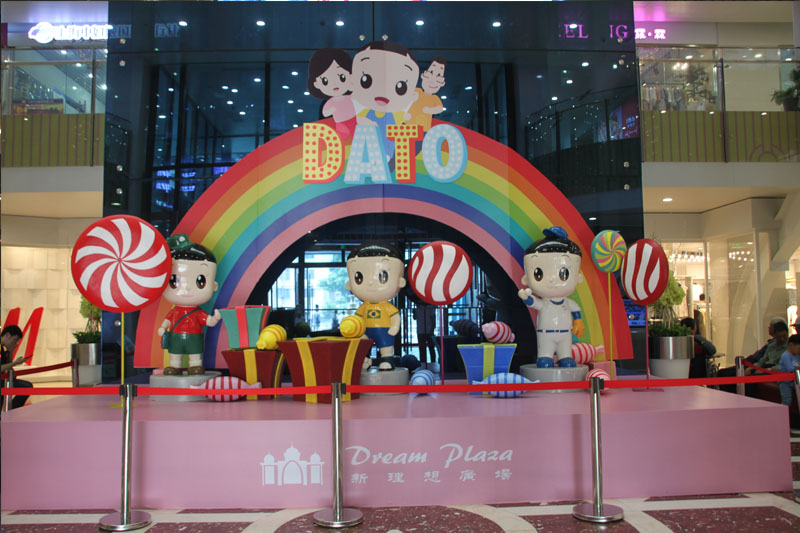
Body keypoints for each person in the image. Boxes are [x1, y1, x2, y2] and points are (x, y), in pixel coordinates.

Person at [518, 226, 585, 368]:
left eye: (563, 273)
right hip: (546, 334)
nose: (552, 279)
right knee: (545, 358)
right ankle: (545, 356)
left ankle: (565, 356)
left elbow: (576, 311)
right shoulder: (544, 303)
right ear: (526, 278)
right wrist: (525, 297)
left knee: (566, 356)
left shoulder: (568, 302)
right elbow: (533, 302)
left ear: (578, 277)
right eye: (539, 274)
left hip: (565, 334)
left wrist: (578, 321)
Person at [158, 234, 222, 376]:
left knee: (195, 355)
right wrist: (162, 328)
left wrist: (215, 318)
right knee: (175, 354)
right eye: (174, 281)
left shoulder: (197, 313)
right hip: (176, 336)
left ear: (214, 286)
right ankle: (174, 367)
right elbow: (167, 321)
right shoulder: (175, 312)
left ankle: (195, 367)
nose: (186, 288)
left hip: (194, 337)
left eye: (200, 281)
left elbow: (210, 322)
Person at [345, 243, 406, 370]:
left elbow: (395, 316)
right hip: (365, 330)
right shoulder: (364, 307)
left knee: (386, 346)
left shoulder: (387, 307)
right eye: (359, 277)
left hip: (384, 330)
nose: (371, 282)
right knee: (362, 344)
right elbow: (357, 318)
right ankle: (364, 359)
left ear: (400, 281)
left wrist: (395, 326)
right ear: (349, 284)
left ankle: (387, 359)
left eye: (382, 276)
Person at [307, 47, 357, 142]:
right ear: (316, 84)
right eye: (325, 80)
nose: (334, 84)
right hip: (337, 139)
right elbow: (324, 124)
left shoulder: (354, 99)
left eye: (342, 77)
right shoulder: (327, 103)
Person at [408, 57, 446, 132]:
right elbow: (405, 98)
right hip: (409, 126)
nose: (432, 81)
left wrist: (430, 110)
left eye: (438, 78)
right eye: (430, 74)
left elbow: (439, 108)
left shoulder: (434, 98)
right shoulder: (417, 91)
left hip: (424, 129)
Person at [1, 325, 33, 410]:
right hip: (2, 380)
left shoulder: (2, 349)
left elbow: (7, 365)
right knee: (26, 387)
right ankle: (11, 410)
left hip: (4, 379)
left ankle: (10, 410)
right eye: (14, 340)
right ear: (7, 335)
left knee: (27, 386)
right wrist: (15, 363)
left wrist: (11, 351)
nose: (15, 343)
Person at [777, 334, 800, 406]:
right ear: (791, 345)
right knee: (787, 400)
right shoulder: (785, 356)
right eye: (799, 348)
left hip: (795, 380)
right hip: (785, 382)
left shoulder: (797, 355)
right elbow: (791, 369)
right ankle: (782, 411)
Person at [413, 301, 437, 367]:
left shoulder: (430, 307)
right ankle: (423, 362)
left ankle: (432, 362)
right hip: (422, 330)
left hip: (427, 330)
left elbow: (433, 318)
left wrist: (432, 328)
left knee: (430, 347)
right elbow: (415, 317)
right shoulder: (418, 308)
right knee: (423, 348)